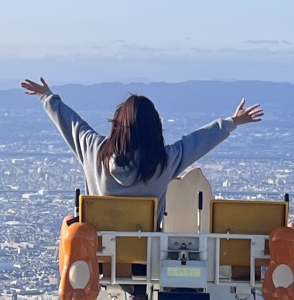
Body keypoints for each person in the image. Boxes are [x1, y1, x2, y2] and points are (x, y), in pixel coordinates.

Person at [20, 77, 264, 223]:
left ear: (117, 124)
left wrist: (47, 97)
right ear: (155, 128)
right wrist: (232, 122)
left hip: (99, 252)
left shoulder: (95, 152)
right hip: (147, 253)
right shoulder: (164, 162)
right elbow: (197, 142)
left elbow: (72, 124)